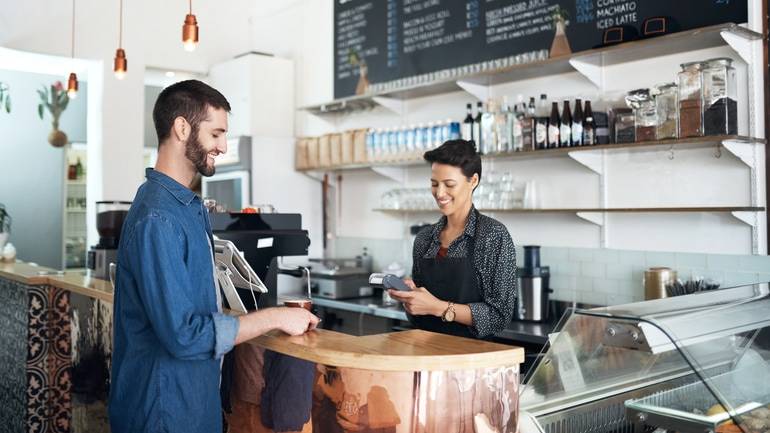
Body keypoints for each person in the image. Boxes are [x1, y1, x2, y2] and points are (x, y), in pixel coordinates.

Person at [109, 80, 319, 433]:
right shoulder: (158, 218)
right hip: (163, 411)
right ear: (181, 128)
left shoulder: (187, 208)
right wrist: (273, 318)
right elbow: (184, 335)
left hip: (192, 404)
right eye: (217, 133)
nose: (223, 146)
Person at [388, 139, 516, 339]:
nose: (439, 193)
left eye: (449, 184)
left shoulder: (493, 236)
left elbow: (499, 316)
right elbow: (417, 319)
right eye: (434, 184)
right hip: (428, 354)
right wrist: (411, 299)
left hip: (473, 361)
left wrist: (438, 307)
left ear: (473, 181)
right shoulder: (424, 239)